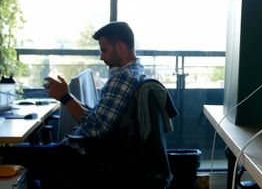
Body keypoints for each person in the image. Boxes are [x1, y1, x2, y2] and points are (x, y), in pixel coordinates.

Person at [0, 21, 176, 189]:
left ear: (121, 47)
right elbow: (100, 117)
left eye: (104, 50)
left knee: (9, 155)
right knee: (28, 154)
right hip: (94, 155)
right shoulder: (136, 73)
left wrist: (65, 98)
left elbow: (95, 128)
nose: (101, 57)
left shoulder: (122, 78)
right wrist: (67, 95)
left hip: (85, 157)